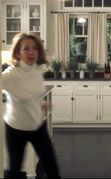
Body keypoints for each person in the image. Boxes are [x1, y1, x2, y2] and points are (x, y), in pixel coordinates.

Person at [2, 33, 61, 179]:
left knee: (52, 167)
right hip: (16, 127)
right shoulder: (11, 74)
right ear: (17, 53)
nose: (31, 52)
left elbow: (28, 93)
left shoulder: (37, 69)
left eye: (34, 48)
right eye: (26, 48)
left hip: (37, 125)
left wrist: (40, 103)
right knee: (15, 171)